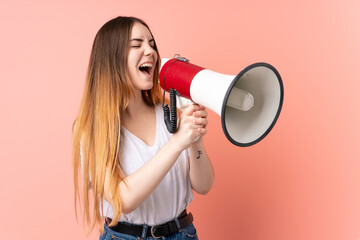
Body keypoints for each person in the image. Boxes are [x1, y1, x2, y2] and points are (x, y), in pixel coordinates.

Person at [73, 16, 215, 240]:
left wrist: (195, 141)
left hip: (182, 233)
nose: (151, 51)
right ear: (111, 58)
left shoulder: (171, 111)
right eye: (136, 45)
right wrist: (178, 143)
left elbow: (204, 185)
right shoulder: (91, 131)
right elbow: (123, 200)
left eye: (151, 44)